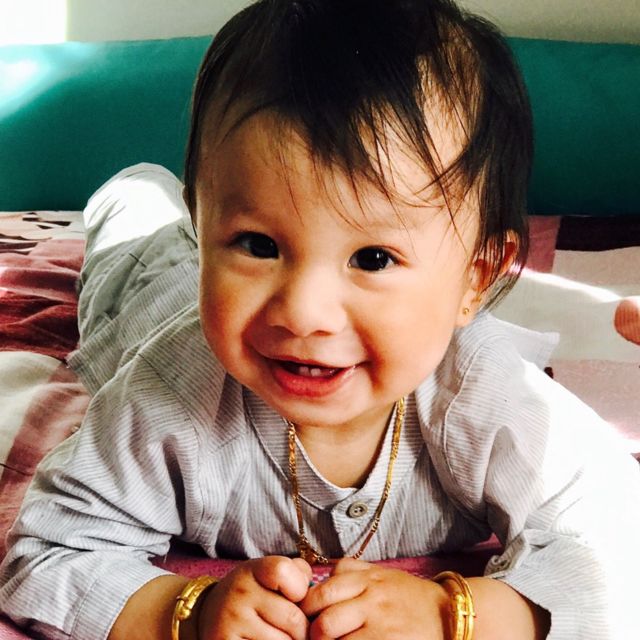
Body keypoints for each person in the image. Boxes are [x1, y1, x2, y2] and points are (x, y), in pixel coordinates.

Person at [1, 0, 639, 639]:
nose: (303, 312)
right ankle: (136, 193)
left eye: (373, 258)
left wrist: (455, 616)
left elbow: (616, 533)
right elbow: (47, 554)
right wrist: (185, 613)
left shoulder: (486, 394)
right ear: (207, 223)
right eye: (257, 244)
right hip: (153, 293)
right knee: (133, 224)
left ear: (477, 278)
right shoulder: (167, 397)